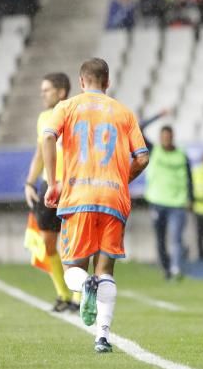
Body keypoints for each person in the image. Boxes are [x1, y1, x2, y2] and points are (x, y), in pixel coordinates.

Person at [42, 58, 149, 353]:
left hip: (80, 196)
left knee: (72, 269)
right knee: (107, 270)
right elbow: (142, 157)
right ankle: (102, 337)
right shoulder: (123, 112)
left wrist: (53, 182)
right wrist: (120, 179)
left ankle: (85, 283)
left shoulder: (67, 107)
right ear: (108, 81)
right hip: (113, 198)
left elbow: (48, 137)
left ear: (81, 81)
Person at [23, 72, 76, 311]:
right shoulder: (43, 117)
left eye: (47, 90)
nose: (42, 94)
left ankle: (77, 296)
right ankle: (62, 293)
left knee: (72, 245)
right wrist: (29, 183)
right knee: (48, 242)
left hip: (73, 185)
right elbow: (40, 154)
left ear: (61, 92)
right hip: (49, 186)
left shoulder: (75, 114)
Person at [144, 125, 193, 280]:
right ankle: (166, 267)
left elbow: (189, 178)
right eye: (163, 137)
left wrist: (191, 198)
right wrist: (157, 115)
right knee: (160, 239)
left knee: (176, 237)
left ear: (172, 137)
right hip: (158, 202)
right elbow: (138, 129)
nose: (166, 139)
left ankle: (176, 268)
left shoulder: (181, 155)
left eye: (168, 136)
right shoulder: (154, 150)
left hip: (177, 203)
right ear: (160, 138)